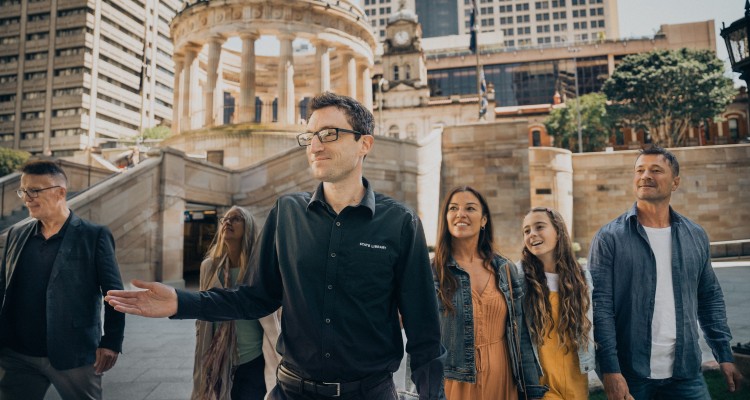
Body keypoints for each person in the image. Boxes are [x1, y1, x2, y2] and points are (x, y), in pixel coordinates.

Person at [106, 92, 446, 400]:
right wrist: (181, 302)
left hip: (369, 393)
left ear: (364, 144)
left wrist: (433, 396)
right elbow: (256, 296)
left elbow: (424, 332)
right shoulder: (287, 212)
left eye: (329, 134)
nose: (315, 146)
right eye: (310, 136)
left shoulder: (401, 222)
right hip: (293, 390)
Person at [589, 146, 744, 400]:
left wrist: (723, 354)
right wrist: (610, 370)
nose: (645, 175)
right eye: (639, 170)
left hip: (685, 372)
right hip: (631, 374)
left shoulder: (695, 235)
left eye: (656, 170)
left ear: (675, 182)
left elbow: (709, 298)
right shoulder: (609, 238)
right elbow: (600, 308)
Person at [0, 160, 125, 400]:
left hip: (73, 353)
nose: (27, 197)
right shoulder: (16, 233)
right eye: (23, 191)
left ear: (61, 192)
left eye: (35, 190)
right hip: (17, 353)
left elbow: (114, 294)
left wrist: (111, 341)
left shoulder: (94, 235)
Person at [432, 186, 547, 400]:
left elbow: (522, 336)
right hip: (454, 383)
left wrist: (532, 390)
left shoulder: (504, 269)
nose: (460, 214)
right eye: (453, 208)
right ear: (446, 217)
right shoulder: (431, 272)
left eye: (470, 208)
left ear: (484, 220)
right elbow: (422, 340)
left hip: (502, 378)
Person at [192, 206, 281, 400]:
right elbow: (202, 310)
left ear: (248, 227)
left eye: (236, 218)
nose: (227, 222)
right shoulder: (209, 266)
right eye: (225, 219)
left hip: (253, 359)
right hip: (217, 358)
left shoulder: (259, 268)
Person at [519, 207, 595, 400]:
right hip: (540, 385)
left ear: (559, 232)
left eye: (539, 227)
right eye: (526, 230)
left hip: (576, 380)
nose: (532, 234)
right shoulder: (518, 278)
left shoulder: (581, 277)